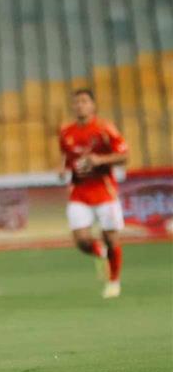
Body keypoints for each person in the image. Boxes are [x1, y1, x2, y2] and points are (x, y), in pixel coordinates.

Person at [58, 88, 129, 298]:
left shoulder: (104, 128)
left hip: (104, 191)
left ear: (93, 105)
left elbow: (124, 156)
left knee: (111, 238)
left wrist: (100, 160)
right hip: (79, 192)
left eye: (84, 101)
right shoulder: (66, 132)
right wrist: (63, 171)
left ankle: (113, 281)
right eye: (77, 102)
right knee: (81, 241)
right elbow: (67, 159)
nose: (80, 105)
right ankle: (100, 252)